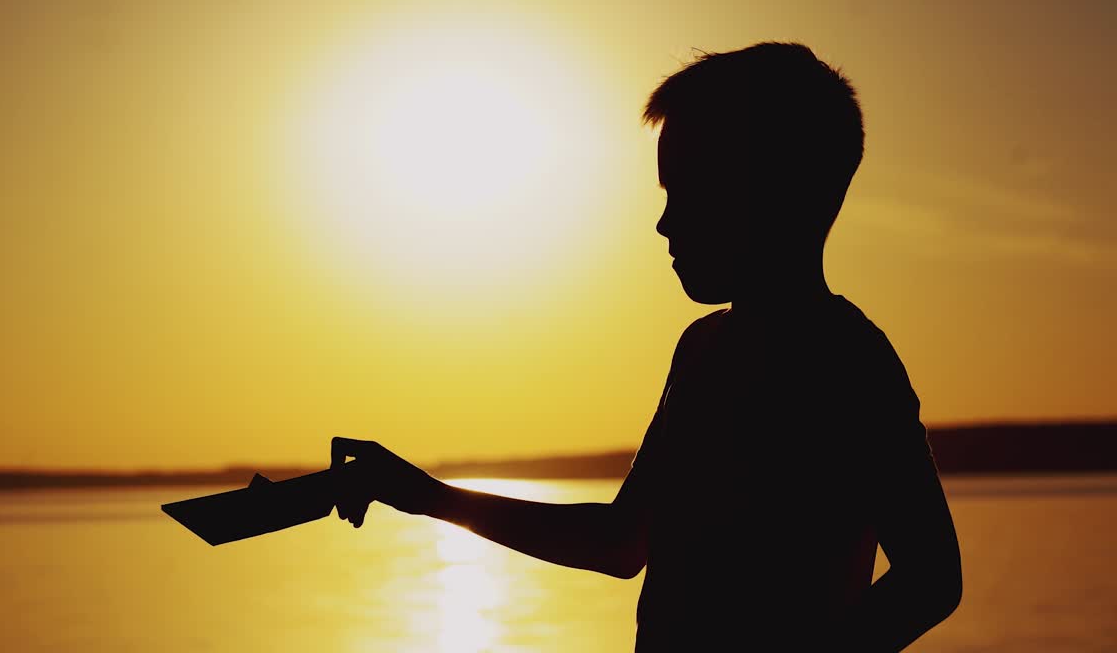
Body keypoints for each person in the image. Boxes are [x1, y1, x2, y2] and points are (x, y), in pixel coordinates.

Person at [328, 42, 962, 651]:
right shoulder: (705, 351)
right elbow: (623, 541)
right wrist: (421, 494)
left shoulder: (847, 362)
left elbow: (932, 579)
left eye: (684, 192)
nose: (664, 222)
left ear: (767, 192)